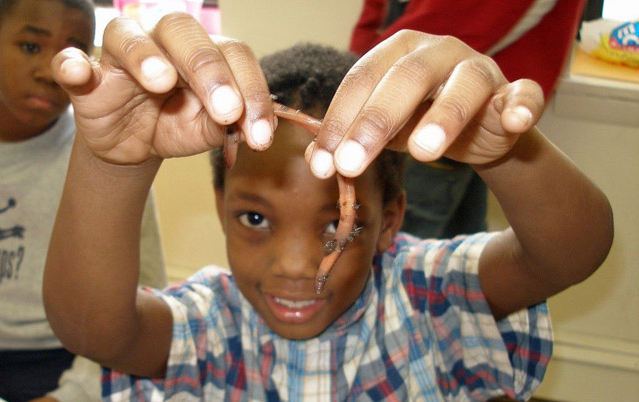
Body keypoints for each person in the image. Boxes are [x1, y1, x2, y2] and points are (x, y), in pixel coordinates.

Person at [42, 13, 613, 401]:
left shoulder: (430, 296)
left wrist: (504, 151)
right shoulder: (210, 324)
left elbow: (571, 253)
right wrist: (114, 162)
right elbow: (94, 330)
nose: (295, 264)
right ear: (220, 206)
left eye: (338, 222)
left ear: (390, 220)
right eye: (255, 218)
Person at [0, 0, 167, 401]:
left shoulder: (111, 160)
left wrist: (72, 392)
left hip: (67, 353)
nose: (50, 72)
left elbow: (147, 296)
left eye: (73, 53)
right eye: (31, 47)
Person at [350, 0, 588, 239]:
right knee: (462, 230)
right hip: (426, 104)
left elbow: (468, 19)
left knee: (417, 230)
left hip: (445, 110)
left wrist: (361, 76)